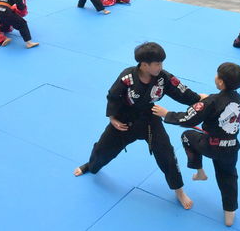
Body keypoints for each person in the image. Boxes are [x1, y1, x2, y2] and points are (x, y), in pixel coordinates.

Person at [73, 42, 207, 210]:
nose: (161, 66)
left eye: (161, 63)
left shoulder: (163, 78)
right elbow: (113, 96)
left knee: (167, 154)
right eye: (157, 63)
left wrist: (201, 99)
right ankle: (91, 166)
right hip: (124, 122)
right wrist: (113, 119)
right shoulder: (127, 78)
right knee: (102, 150)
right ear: (144, 65)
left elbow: (182, 92)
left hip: (151, 119)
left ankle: (178, 190)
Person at [152, 62, 240, 227]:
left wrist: (167, 114)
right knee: (228, 177)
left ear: (221, 82)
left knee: (187, 136)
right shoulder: (237, 98)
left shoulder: (211, 102)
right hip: (231, 148)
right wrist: (208, 98)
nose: (216, 77)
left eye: (218, 75)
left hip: (212, 146)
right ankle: (229, 213)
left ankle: (199, 171)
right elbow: (219, 103)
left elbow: (190, 118)